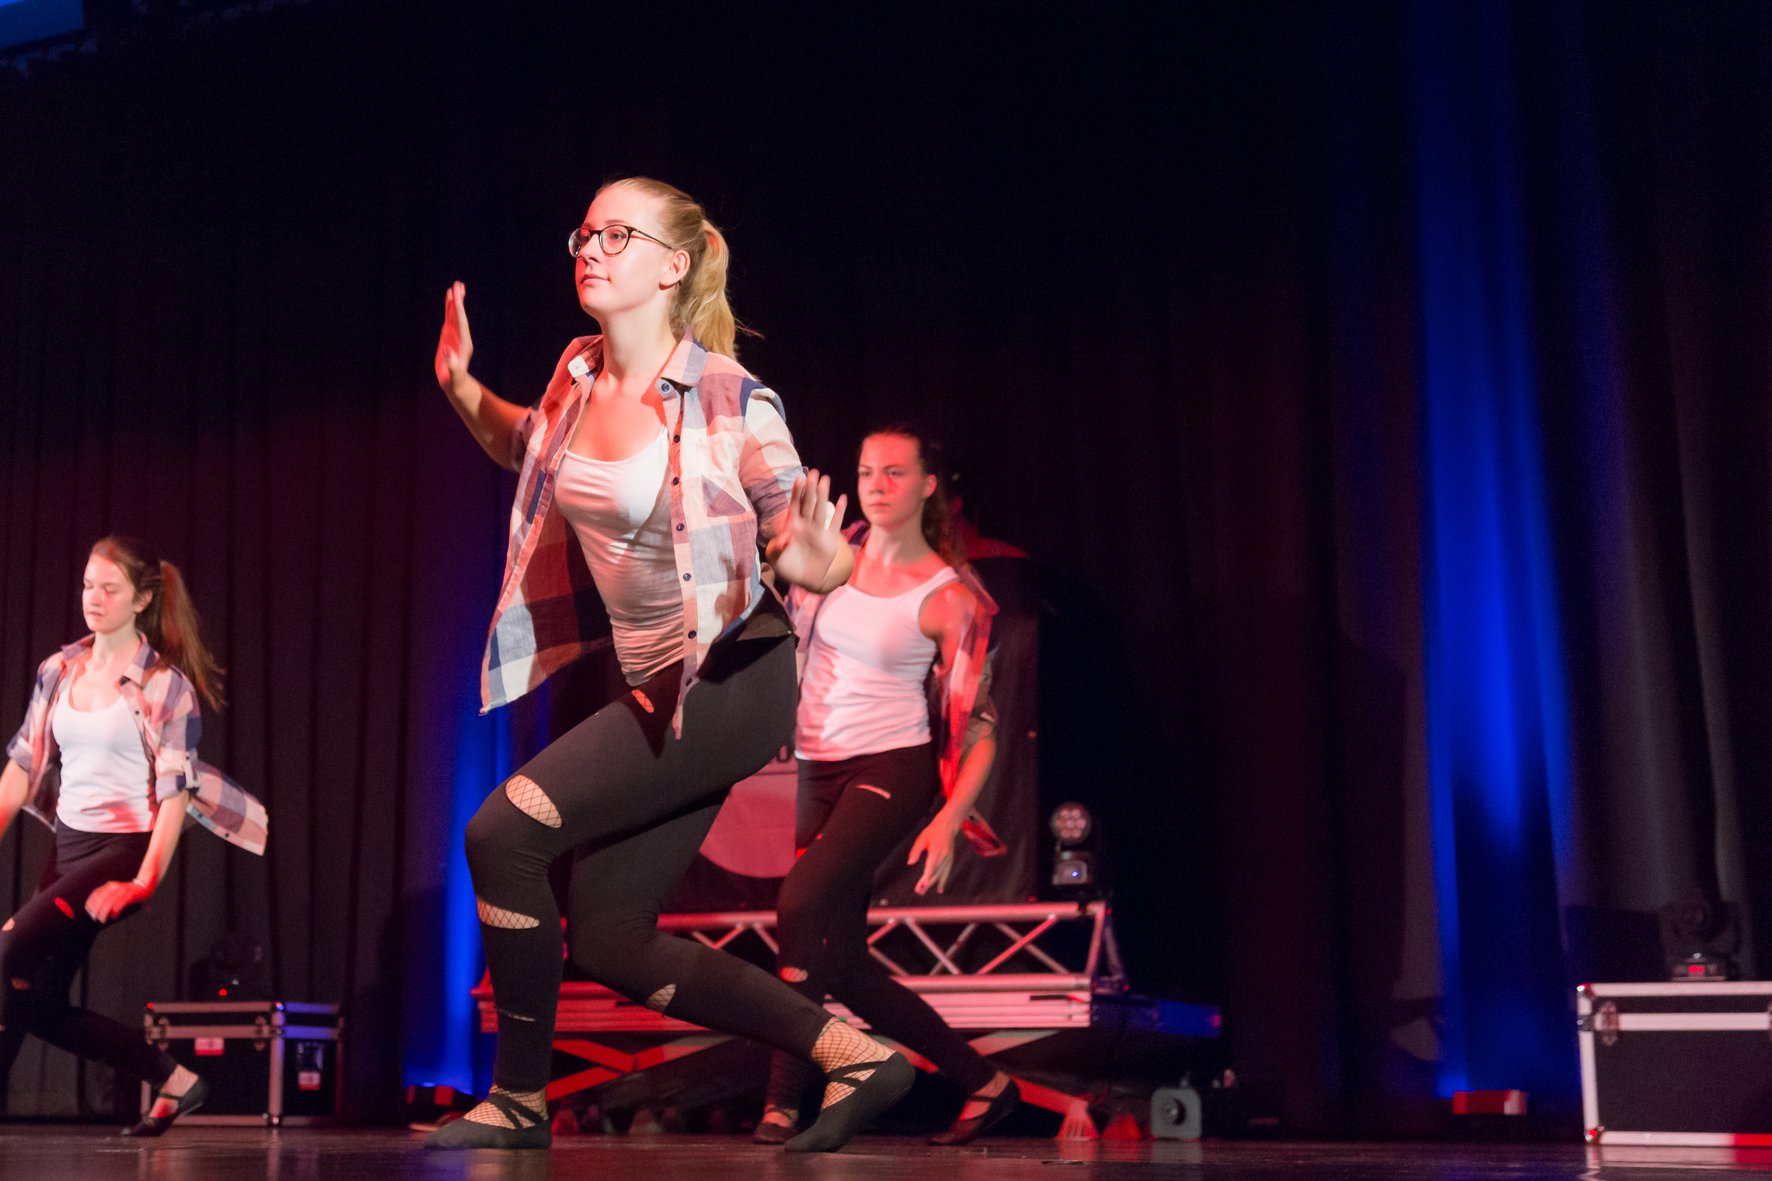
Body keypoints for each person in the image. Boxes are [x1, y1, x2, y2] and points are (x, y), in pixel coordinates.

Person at [427, 176, 914, 1152]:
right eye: (585, 233)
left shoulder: (730, 395)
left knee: (500, 835)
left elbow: (811, 544)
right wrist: (461, 388)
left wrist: (815, 556)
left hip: (736, 676)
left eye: (619, 234)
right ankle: (856, 1055)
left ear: (673, 265)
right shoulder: (575, 374)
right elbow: (526, 447)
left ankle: (517, 1097)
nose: (592, 249)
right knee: (610, 936)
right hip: (659, 682)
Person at [754, 426, 1021, 1146]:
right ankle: (985, 1082)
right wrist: (782, 562)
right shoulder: (833, 549)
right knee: (841, 962)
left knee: (799, 902)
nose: (875, 484)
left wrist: (949, 818)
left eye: (894, 472)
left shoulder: (948, 596)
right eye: (867, 470)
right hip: (818, 765)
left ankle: (780, 1103)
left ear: (928, 485)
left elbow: (982, 728)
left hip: (891, 767)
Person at [0, 536, 268, 1136]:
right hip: (68, 846)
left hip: (122, 850)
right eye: (87, 585)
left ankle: (170, 1078)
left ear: (142, 599)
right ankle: (174, 1079)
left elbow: (176, 792)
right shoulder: (58, 669)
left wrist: (144, 880)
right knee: (34, 999)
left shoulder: (164, 686)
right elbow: (22, 765)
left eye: (109, 588)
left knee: (8, 953)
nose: (93, 598)